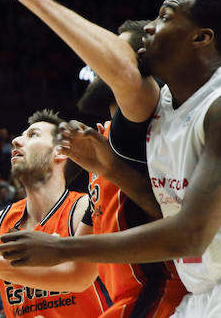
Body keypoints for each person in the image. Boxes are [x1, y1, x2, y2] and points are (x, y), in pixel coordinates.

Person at [0, 0, 221, 316]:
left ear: (201, 38)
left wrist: (61, 248)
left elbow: (189, 234)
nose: (151, 29)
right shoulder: (165, 108)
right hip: (202, 296)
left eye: (165, 16)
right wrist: (111, 168)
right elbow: (167, 210)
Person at [0, 110, 108, 318]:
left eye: (33, 135)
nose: (15, 141)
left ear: (60, 152)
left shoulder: (84, 209)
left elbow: (78, 277)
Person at [66, 20, 187, 317]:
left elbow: (180, 225)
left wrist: (36, 0)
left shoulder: (144, 121)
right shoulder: (103, 136)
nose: (101, 57)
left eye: (115, 50)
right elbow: (78, 272)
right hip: (127, 296)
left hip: (160, 289)